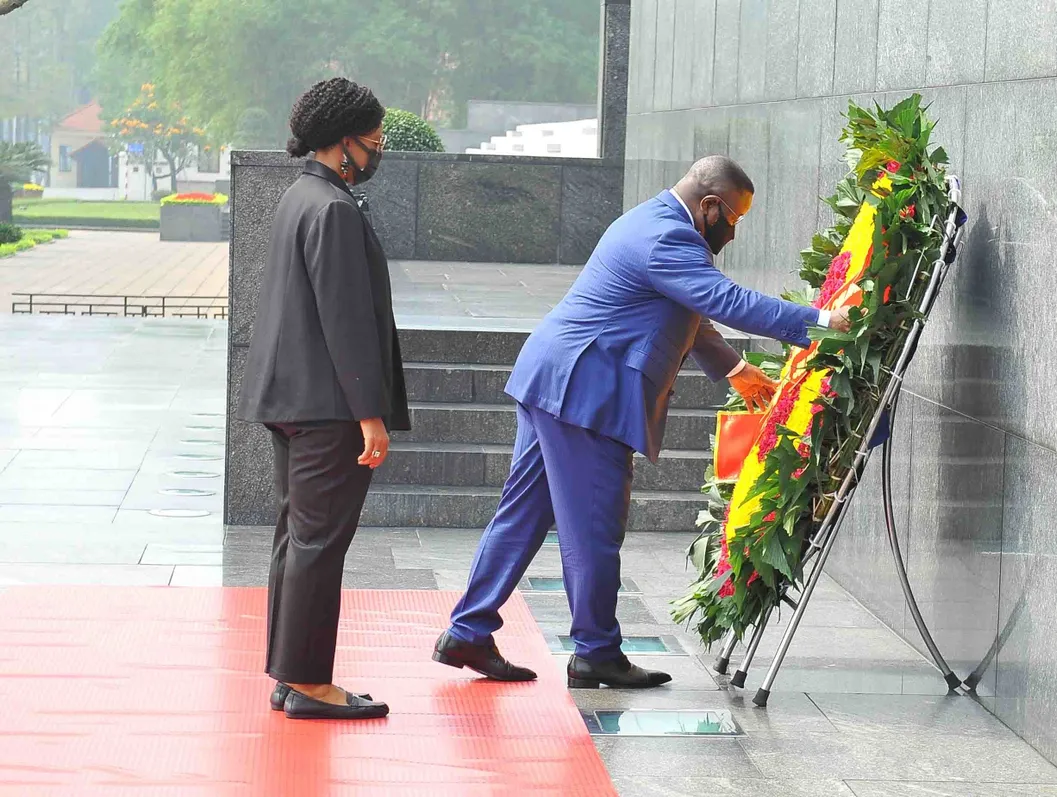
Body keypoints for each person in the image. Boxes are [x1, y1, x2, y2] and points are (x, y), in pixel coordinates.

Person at [433, 156, 851, 688]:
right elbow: (723, 299)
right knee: (593, 528)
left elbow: (687, 311)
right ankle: (596, 653)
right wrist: (822, 321)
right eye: (734, 218)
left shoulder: (652, 220)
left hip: (556, 379)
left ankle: (468, 631)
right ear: (710, 206)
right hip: (586, 393)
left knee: (522, 516)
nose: (733, 232)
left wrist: (735, 368)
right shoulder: (668, 236)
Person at [238, 77, 408, 720]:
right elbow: (346, 320)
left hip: (292, 400)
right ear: (345, 143)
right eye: (375, 139)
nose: (379, 149)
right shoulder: (332, 208)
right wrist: (371, 415)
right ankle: (309, 682)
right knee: (317, 543)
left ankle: (292, 675)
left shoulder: (300, 196)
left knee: (297, 538)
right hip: (328, 407)